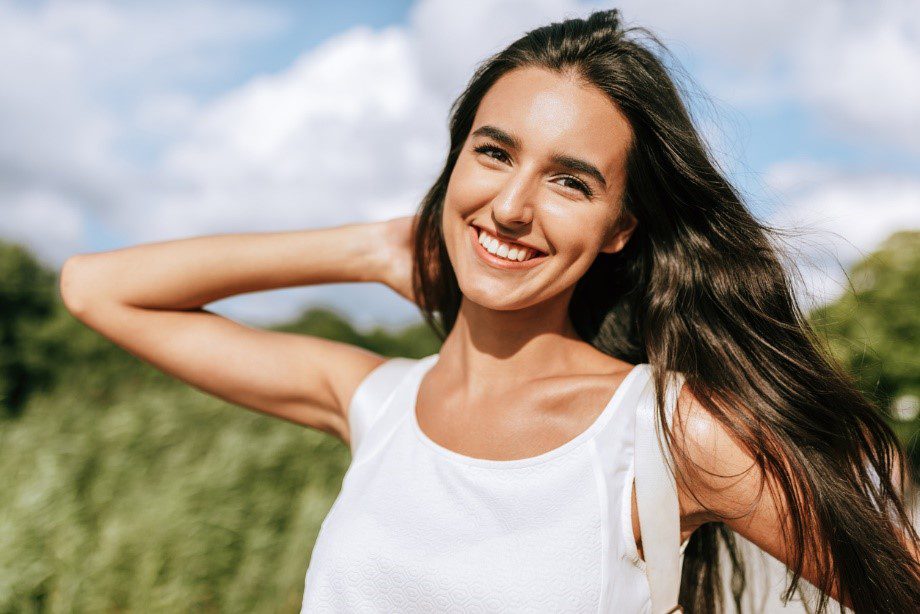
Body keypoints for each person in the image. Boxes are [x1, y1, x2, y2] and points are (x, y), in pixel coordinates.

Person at [60, 8, 920, 614]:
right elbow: (97, 289)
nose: (511, 206)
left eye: (569, 180)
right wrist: (374, 247)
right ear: (455, 162)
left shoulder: (661, 427)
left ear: (621, 228)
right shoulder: (378, 401)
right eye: (494, 152)